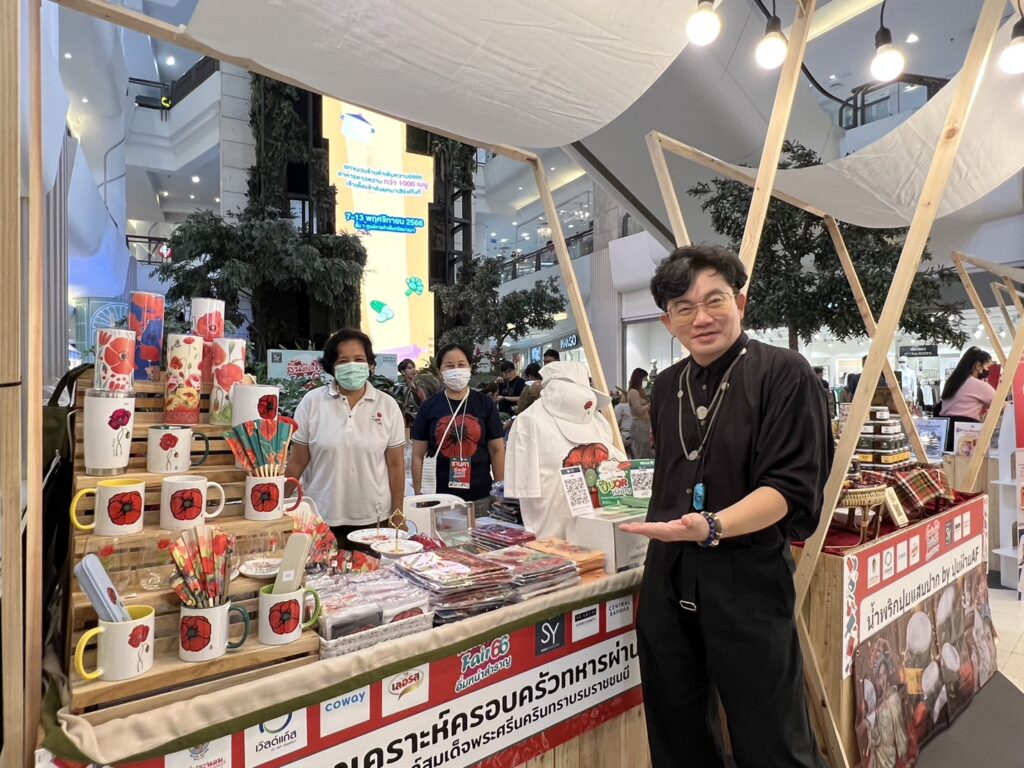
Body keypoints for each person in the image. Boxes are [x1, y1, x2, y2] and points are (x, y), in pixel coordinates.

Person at [619, 244, 832, 768]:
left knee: (771, 737)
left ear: (740, 301)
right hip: (670, 575)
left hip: (747, 577)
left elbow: (789, 488)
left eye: (714, 300)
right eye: (684, 308)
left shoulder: (784, 373)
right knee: (677, 732)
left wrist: (712, 526)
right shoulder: (667, 386)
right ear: (668, 321)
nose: (701, 318)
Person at [286, 329, 406, 548]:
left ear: (370, 364)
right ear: (332, 366)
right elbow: (297, 462)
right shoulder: (312, 403)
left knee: (371, 571)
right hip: (320, 518)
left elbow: (396, 465)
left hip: (374, 520)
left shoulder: (387, 406)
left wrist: (398, 513)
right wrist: (276, 506)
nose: (352, 365)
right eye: (343, 360)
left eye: (359, 359)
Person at [411, 344, 506, 517]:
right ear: (440, 372)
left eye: (461, 365)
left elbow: (497, 450)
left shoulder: (485, 404)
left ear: (470, 368)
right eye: (449, 366)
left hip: (480, 496)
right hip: (439, 498)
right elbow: (418, 455)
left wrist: (499, 492)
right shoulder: (428, 407)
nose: (456, 370)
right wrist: (419, 496)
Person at [938, 346, 994, 421]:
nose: (989, 371)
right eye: (988, 367)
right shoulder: (978, 385)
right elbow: (1001, 404)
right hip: (966, 426)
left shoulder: (951, 383)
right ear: (978, 366)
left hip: (945, 425)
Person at [626, 368, 653, 459]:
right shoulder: (633, 392)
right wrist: (649, 405)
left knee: (647, 452)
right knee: (641, 453)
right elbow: (638, 411)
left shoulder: (640, 392)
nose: (646, 381)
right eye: (644, 379)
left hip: (645, 425)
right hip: (639, 426)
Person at [396, 358, 429, 426]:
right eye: (410, 368)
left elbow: (424, 404)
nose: (413, 370)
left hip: (420, 421)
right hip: (405, 423)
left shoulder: (419, 387)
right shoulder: (400, 388)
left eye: (414, 367)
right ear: (403, 372)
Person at [613, 391, 633, 456]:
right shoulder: (635, 406)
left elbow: (615, 423)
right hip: (636, 435)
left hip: (625, 436)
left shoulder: (620, 407)